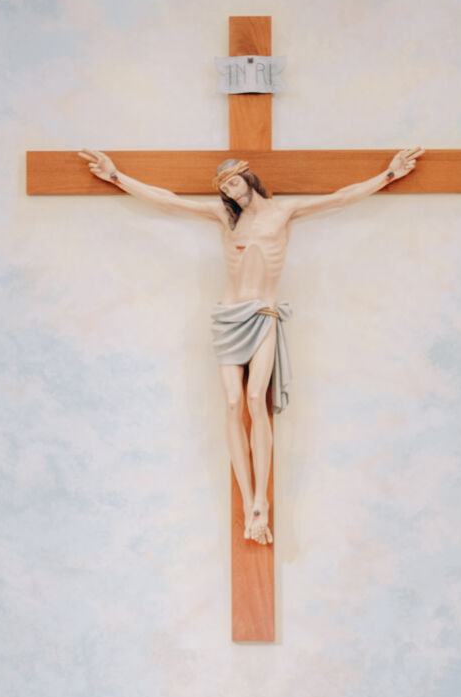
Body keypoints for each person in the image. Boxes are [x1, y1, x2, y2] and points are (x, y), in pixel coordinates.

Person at [78, 146, 423, 543]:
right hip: (229, 317)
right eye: (224, 187)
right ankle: (248, 502)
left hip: (263, 314)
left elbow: (340, 197)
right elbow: (168, 201)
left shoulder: (284, 212)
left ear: (248, 177)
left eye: (234, 182)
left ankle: (262, 500)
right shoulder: (224, 217)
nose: (230, 190)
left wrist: (389, 175)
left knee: (257, 399)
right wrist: (116, 177)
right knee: (232, 403)